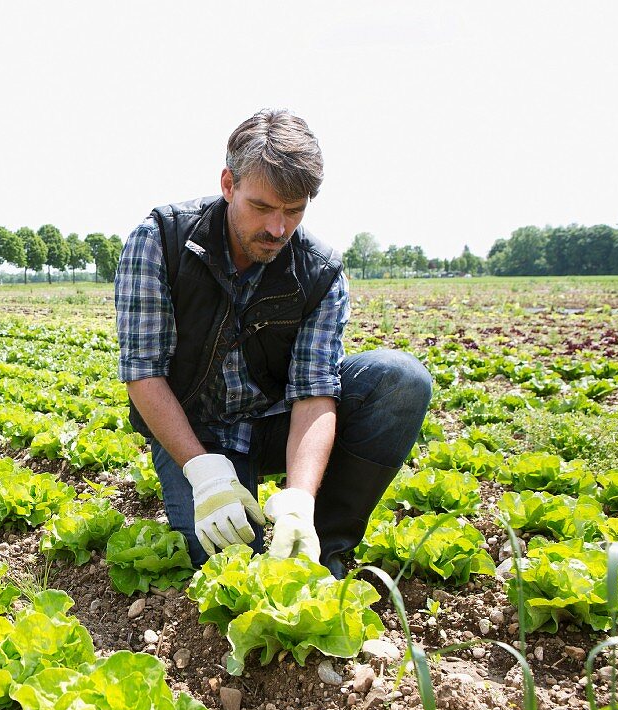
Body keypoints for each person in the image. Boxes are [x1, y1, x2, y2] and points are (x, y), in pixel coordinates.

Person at [115, 109, 432, 579]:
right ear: (228, 184)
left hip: (275, 421)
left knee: (401, 379)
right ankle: (217, 482)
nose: (278, 229)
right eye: (262, 207)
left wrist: (301, 498)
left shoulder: (318, 270)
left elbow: (313, 391)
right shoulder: (161, 240)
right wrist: (204, 475)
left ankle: (322, 545)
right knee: (223, 562)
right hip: (197, 426)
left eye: (294, 210)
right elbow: (144, 371)